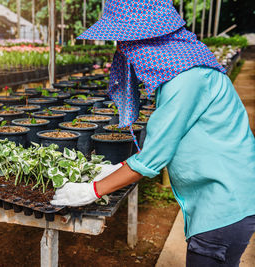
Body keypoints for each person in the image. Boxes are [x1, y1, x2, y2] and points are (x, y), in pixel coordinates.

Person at [50, 0, 255, 266]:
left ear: (146, 40)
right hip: (229, 198)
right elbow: (166, 140)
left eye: (126, 42)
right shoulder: (188, 68)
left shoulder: (186, 79)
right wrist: (116, 168)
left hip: (223, 206)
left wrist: (92, 190)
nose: (123, 50)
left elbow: (154, 158)